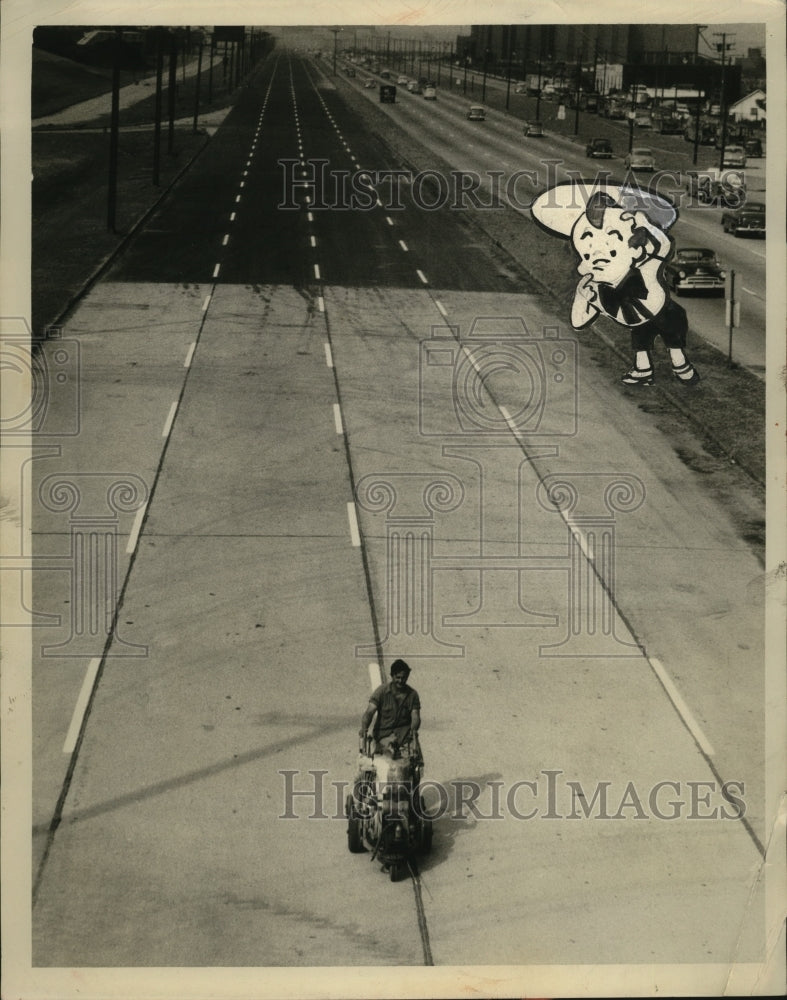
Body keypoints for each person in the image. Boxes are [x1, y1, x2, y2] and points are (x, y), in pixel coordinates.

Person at [532, 182, 700, 388]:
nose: (598, 254)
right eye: (589, 252)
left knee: (671, 323)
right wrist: (580, 295)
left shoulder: (646, 268)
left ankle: (680, 364)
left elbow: (664, 246)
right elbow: (577, 322)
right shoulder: (594, 290)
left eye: (611, 245)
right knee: (640, 337)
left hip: (663, 311)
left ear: (634, 250)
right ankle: (643, 369)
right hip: (636, 321)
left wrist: (645, 225)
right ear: (584, 262)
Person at [359, 659, 421, 757]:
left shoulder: (413, 695)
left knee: (415, 761)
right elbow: (369, 712)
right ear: (392, 676)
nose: (401, 681)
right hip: (383, 737)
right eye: (398, 677)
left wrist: (413, 732)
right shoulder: (381, 692)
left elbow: (415, 716)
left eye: (404, 678)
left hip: (404, 739)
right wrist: (364, 728)